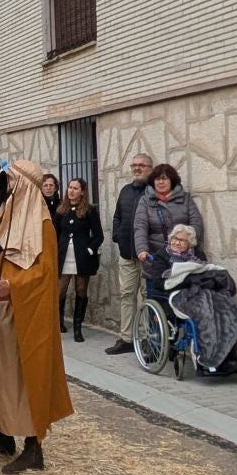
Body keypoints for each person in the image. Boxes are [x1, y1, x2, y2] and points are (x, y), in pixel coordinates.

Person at [0, 162, 74, 474]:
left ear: (27, 184)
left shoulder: (42, 224)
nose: (7, 184)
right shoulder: (5, 213)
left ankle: (33, 447)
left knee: (24, 377)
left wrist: (12, 287)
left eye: (12, 179)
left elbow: (45, 274)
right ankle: (4, 437)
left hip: (24, 313)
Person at [106, 152, 154, 355]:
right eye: (134, 165)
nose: (137, 168)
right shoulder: (126, 191)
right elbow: (117, 216)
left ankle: (147, 338)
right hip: (126, 253)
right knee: (126, 295)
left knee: (147, 297)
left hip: (148, 256)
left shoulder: (156, 191)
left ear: (150, 168)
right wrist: (118, 235)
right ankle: (126, 338)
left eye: (141, 165)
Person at [133, 163, 203, 289]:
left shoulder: (185, 199)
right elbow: (140, 226)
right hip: (156, 256)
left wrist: (186, 241)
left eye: (164, 178)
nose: (160, 182)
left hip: (183, 257)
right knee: (156, 294)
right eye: (157, 179)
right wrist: (142, 249)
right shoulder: (145, 200)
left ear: (172, 181)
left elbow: (196, 223)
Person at [54, 176, 104, 343]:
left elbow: (99, 236)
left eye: (75, 188)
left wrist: (89, 250)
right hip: (63, 257)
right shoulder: (61, 211)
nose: (71, 191)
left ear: (82, 192)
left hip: (82, 258)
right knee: (60, 291)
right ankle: (59, 323)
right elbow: (55, 233)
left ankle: (77, 328)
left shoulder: (89, 211)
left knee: (81, 290)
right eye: (70, 187)